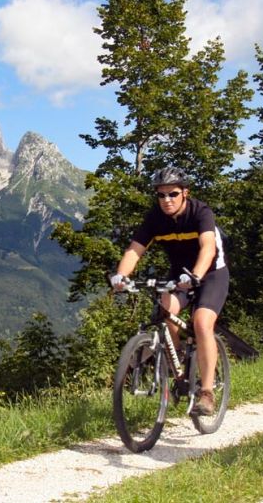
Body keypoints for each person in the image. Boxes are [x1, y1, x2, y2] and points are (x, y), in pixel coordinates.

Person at [110, 167, 230, 416]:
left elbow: (208, 248)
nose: (166, 200)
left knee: (202, 322)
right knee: (166, 307)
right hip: (179, 275)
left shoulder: (200, 212)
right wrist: (121, 277)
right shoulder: (155, 218)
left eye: (173, 194)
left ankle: (207, 393)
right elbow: (134, 250)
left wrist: (196, 275)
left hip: (211, 274)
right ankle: (180, 369)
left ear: (185, 193)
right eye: (161, 195)